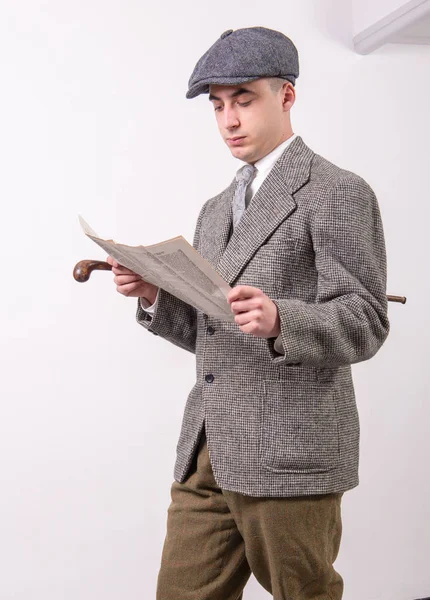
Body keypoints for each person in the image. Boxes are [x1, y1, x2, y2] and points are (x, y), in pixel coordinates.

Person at [107, 26, 390, 600]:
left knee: (304, 594)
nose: (229, 121)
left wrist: (283, 318)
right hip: (208, 450)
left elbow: (366, 318)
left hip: (289, 450)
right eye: (218, 106)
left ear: (286, 96)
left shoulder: (336, 190)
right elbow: (215, 331)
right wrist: (154, 297)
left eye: (244, 100)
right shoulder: (215, 211)